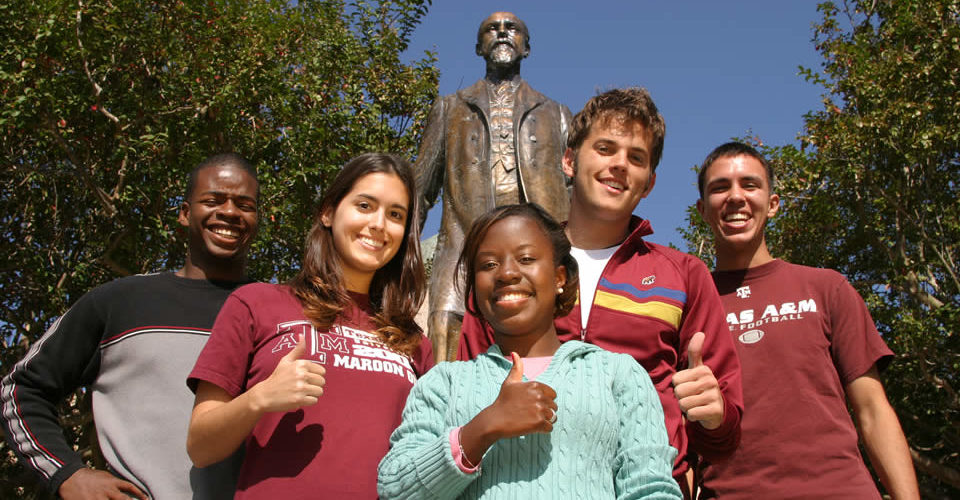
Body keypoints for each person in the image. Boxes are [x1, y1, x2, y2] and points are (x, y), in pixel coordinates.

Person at [458, 88, 743, 496]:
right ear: (570, 160)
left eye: (636, 157)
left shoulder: (684, 275)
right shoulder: (508, 269)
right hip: (518, 482)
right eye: (606, 148)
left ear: (650, 183)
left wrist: (714, 416)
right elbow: (466, 388)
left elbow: (724, 439)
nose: (619, 165)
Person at [0, 153, 258, 499]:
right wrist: (67, 474)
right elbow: (20, 388)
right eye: (212, 200)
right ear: (184, 213)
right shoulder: (120, 302)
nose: (229, 212)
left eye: (244, 204)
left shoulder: (280, 312)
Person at [379, 203, 681, 499]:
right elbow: (394, 489)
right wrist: (481, 429)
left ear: (559, 277)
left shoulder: (618, 375)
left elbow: (651, 488)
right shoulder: (441, 384)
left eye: (525, 258)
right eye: (488, 264)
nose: (507, 273)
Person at [187, 153, 434, 498]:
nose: (379, 224)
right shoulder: (256, 304)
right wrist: (260, 398)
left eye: (396, 215)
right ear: (329, 212)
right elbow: (200, 446)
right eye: (365, 205)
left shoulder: (415, 343)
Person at [694, 141, 920, 499]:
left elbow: (872, 410)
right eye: (720, 187)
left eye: (749, 185)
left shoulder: (826, 288)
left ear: (772, 203)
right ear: (703, 210)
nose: (735, 197)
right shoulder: (688, 305)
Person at [415, 11, 572, 361]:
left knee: (544, 352)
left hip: (536, 256)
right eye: (492, 29)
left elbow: (578, 193)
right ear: (478, 47)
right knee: (445, 339)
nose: (502, 34)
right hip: (461, 248)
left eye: (512, 29)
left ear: (526, 47)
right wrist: (400, 265)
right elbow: (418, 193)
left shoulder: (557, 113)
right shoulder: (449, 108)